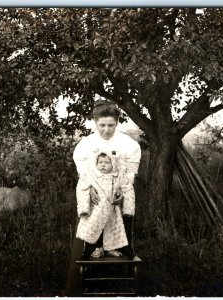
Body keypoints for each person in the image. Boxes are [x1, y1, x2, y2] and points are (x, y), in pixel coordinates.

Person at [64, 100, 141, 296]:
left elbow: (129, 178)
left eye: (111, 125)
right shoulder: (86, 145)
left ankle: (117, 291)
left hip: (116, 202)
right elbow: (84, 176)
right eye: (102, 125)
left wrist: (121, 193)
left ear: (117, 123)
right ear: (95, 122)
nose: (107, 130)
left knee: (119, 246)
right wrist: (89, 191)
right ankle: (78, 291)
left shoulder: (129, 145)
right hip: (94, 202)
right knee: (87, 243)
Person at [76, 151, 135, 258]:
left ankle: (119, 250)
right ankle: (88, 251)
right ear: (96, 164)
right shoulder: (93, 176)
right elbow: (82, 187)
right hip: (96, 210)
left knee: (115, 232)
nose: (103, 165)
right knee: (92, 230)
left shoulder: (117, 176)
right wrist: (84, 208)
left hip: (112, 211)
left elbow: (128, 188)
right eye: (100, 162)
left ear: (113, 164)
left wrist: (128, 209)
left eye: (107, 162)